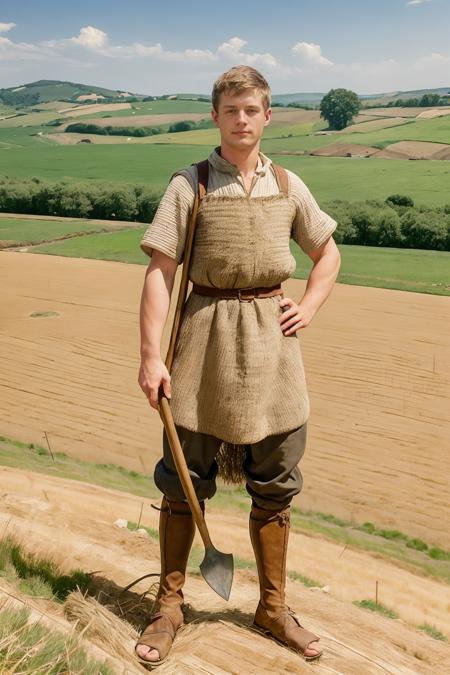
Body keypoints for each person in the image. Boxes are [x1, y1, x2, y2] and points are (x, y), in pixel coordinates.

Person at [136, 65, 341, 665]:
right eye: (232, 110)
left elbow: (327, 253)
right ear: (216, 116)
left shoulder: (287, 184)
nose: (242, 120)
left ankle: (272, 608)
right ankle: (168, 607)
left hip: (274, 354)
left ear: (267, 116)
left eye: (252, 110)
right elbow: (159, 273)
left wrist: (308, 305)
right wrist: (152, 358)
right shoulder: (191, 184)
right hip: (201, 348)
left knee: (277, 483)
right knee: (183, 482)